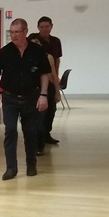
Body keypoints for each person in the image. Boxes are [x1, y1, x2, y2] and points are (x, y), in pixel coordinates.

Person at [0, 19, 51, 180]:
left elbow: (44, 74)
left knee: (30, 131)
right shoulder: (4, 53)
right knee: (10, 130)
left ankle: (31, 164)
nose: (14, 35)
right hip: (10, 98)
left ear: (25, 32)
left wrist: (43, 95)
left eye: (17, 32)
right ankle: (11, 168)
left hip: (31, 97)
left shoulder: (37, 51)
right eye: (11, 32)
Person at [28, 16, 63, 151]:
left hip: (51, 78)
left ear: (51, 26)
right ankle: (39, 139)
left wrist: (56, 79)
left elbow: (56, 60)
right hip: (37, 84)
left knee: (51, 110)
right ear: (38, 27)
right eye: (42, 27)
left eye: (47, 26)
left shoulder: (55, 41)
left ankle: (47, 134)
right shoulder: (34, 38)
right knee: (40, 112)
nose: (44, 29)